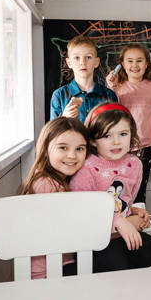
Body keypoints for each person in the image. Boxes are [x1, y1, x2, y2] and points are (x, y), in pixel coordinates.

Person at [70, 102, 151, 300]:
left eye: (123, 134)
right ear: (93, 140)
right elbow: (82, 212)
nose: (116, 142)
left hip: (125, 236)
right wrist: (118, 221)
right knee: (124, 276)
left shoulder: (135, 164)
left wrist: (133, 212)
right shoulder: (86, 169)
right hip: (96, 242)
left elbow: (123, 201)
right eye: (107, 136)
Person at [105, 43, 151, 209]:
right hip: (119, 148)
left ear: (146, 64)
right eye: (129, 61)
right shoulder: (118, 88)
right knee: (117, 189)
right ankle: (120, 227)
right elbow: (108, 109)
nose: (134, 65)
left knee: (139, 189)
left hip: (145, 147)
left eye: (139, 61)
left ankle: (138, 230)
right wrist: (111, 86)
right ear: (122, 64)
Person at [19, 117, 90, 279]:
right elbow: (70, 232)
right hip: (49, 271)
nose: (72, 155)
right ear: (45, 149)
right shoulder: (46, 185)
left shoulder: (61, 179)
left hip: (60, 263)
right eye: (63, 147)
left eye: (80, 149)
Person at [50, 35, 117, 123]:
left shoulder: (109, 95)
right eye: (77, 58)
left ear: (96, 62)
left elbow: (115, 128)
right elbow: (53, 133)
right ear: (69, 63)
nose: (82, 62)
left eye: (88, 57)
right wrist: (64, 117)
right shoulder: (59, 95)